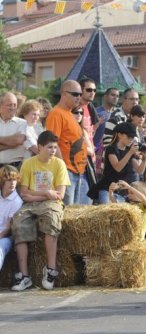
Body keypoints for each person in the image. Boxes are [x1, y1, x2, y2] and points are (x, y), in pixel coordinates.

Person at [11, 131, 70, 291]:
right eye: (49, 147)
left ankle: (51, 270)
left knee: (52, 221)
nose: (53, 150)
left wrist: (38, 195)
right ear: (40, 147)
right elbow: (24, 193)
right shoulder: (29, 163)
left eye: (55, 147)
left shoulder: (59, 164)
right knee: (18, 223)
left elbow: (60, 195)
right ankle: (24, 276)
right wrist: (44, 193)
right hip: (33, 203)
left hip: (52, 203)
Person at [45, 80, 89, 205]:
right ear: (64, 94)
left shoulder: (69, 113)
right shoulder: (56, 113)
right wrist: (63, 169)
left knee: (75, 215)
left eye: (80, 94)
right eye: (75, 94)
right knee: (65, 213)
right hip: (67, 172)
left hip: (78, 172)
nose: (79, 97)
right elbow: (53, 143)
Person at [91, 122, 146, 204]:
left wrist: (145, 158)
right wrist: (130, 153)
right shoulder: (111, 149)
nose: (131, 139)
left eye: (132, 137)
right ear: (120, 135)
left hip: (122, 192)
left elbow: (139, 170)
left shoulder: (129, 150)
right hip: (107, 189)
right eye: (129, 137)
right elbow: (117, 167)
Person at [0, 165, 23, 272]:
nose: (13, 183)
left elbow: (7, 229)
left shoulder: (17, 201)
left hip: (5, 238)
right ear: (2, 181)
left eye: (14, 179)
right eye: (9, 180)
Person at [0, 92, 27, 169]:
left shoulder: (22, 123)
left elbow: (18, 140)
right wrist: (11, 143)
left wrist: (15, 142)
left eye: (15, 105)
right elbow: (15, 142)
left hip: (15, 167)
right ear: (1, 105)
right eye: (9, 105)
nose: (13, 108)